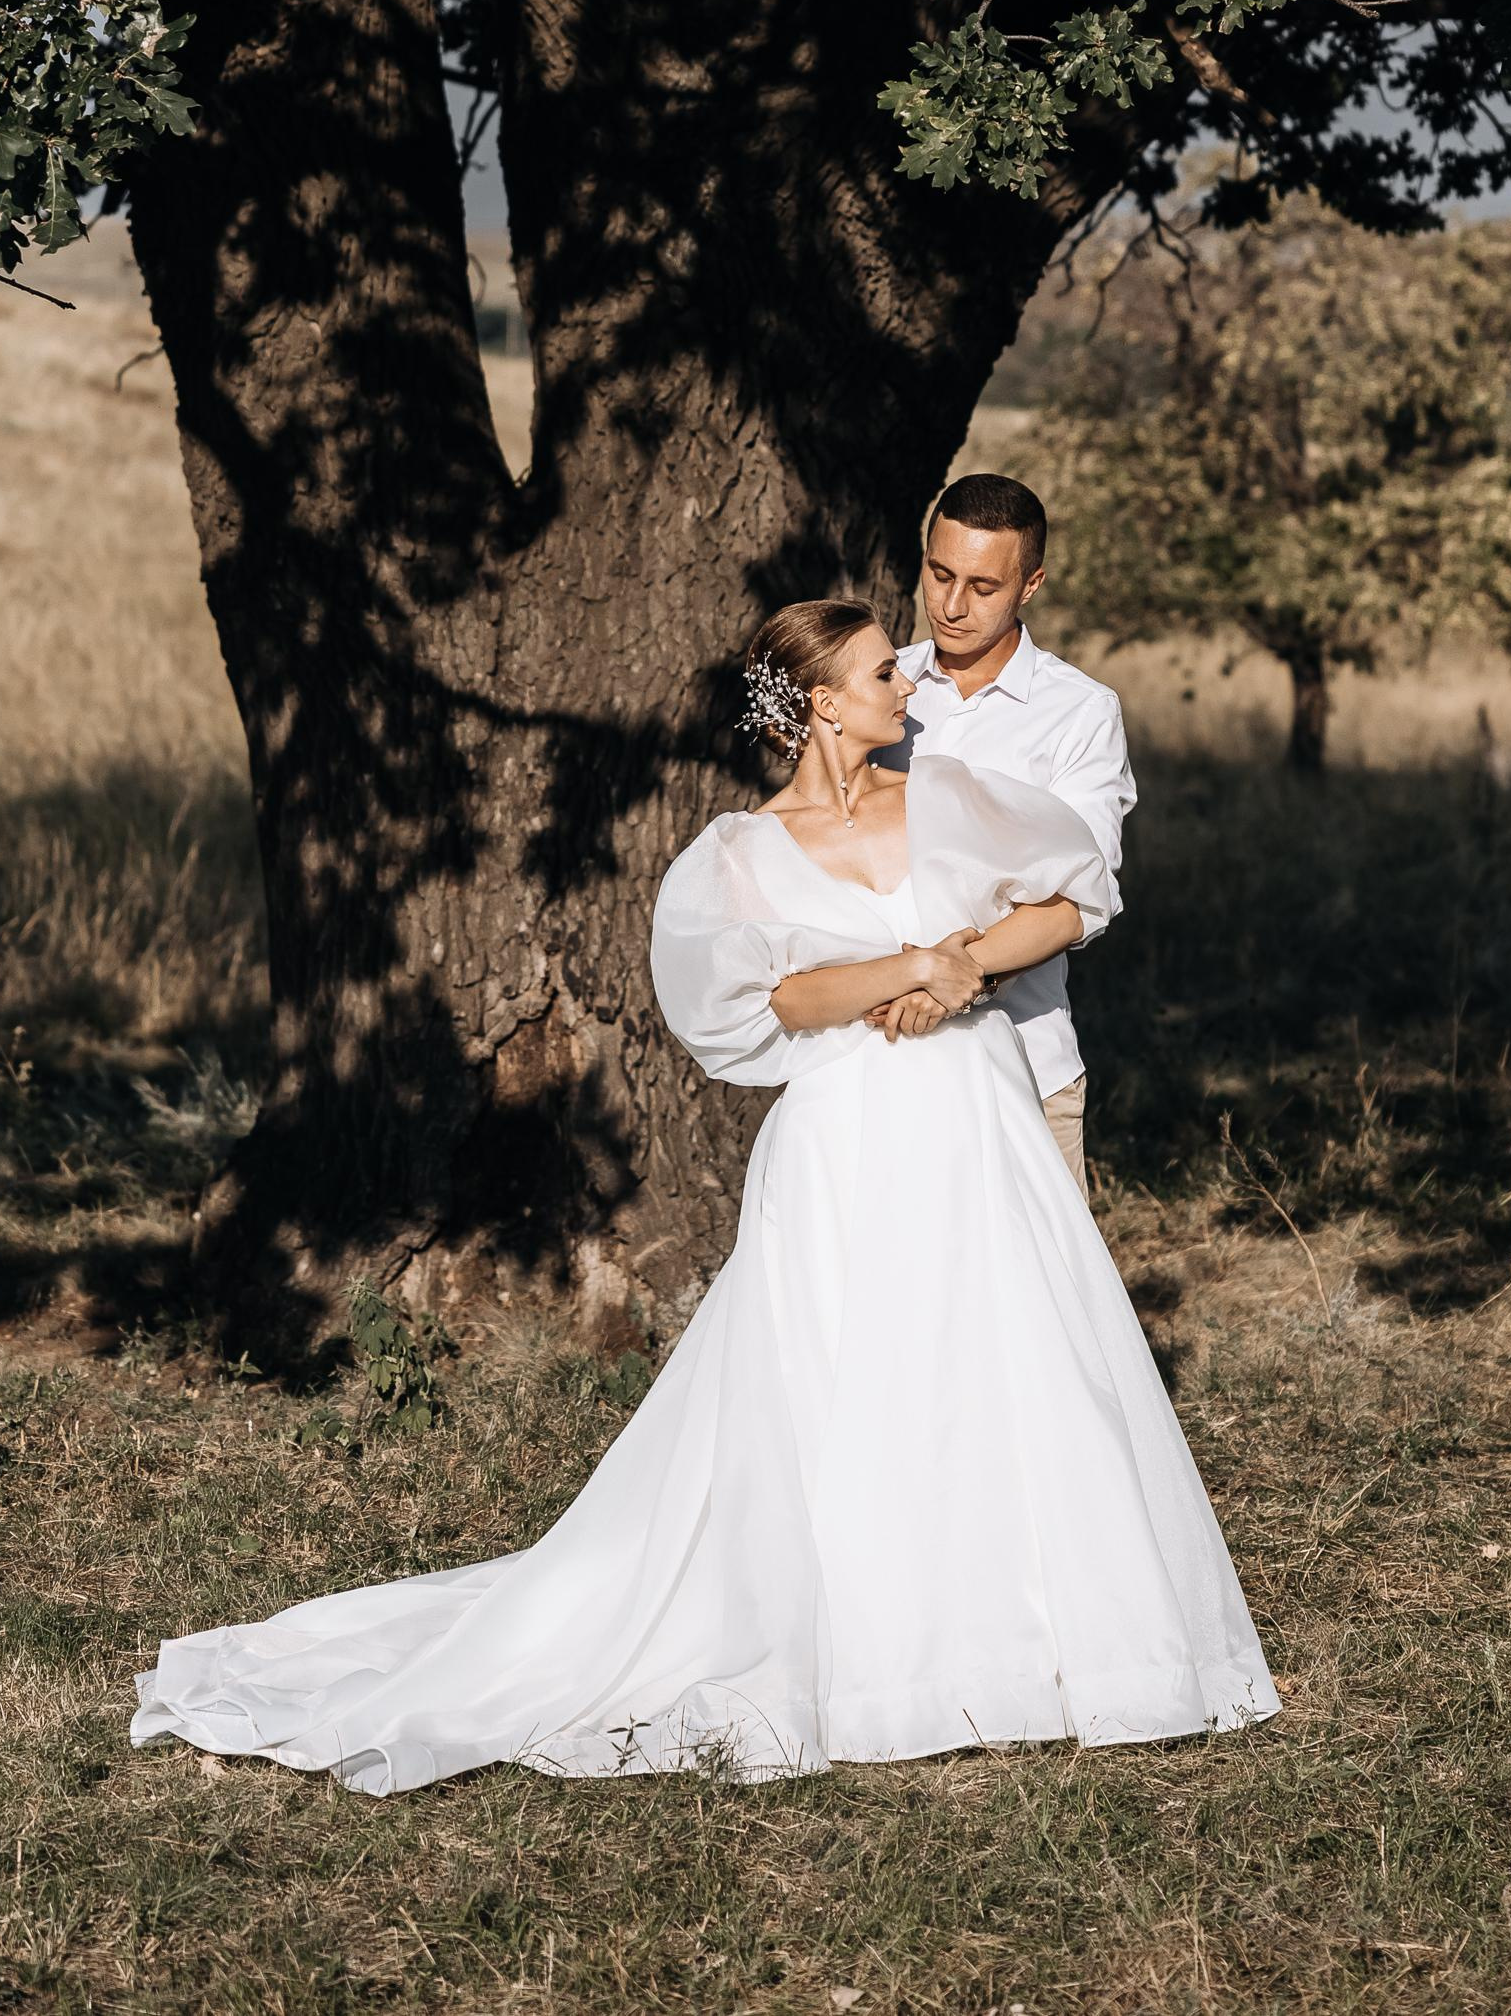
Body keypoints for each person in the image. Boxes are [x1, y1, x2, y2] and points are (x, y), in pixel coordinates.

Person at [131, 597, 1278, 1793]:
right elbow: (766, 1001)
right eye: (885, 671)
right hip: (847, 1134)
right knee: (860, 1371)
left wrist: (962, 967)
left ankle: (1054, 1638)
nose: (910, 685)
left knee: (1011, 1355)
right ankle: (880, 1648)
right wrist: (899, 965)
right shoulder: (739, 852)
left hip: (976, 1115)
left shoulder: (946, 793)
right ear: (824, 701)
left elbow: (1072, 894)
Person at [887, 471, 1131, 1194]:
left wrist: (947, 982)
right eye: (939, 574)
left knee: (1044, 1299)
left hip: (1025, 1060)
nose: (952, 605)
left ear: (1030, 584)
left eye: (982, 586)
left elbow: (1078, 901)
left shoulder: (1079, 713)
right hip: (877, 1053)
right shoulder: (878, 684)